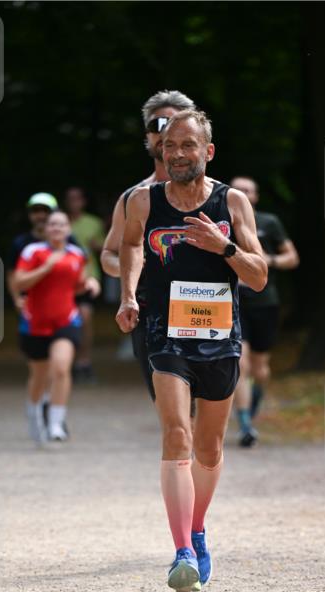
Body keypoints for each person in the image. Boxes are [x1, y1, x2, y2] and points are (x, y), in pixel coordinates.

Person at [117, 111, 267, 592]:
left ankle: (197, 529)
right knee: (177, 433)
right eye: (169, 146)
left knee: (209, 447)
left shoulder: (232, 202)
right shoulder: (144, 201)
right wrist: (128, 295)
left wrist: (224, 247)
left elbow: (259, 277)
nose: (178, 154)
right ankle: (182, 551)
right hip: (165, 333)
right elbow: (131, 246)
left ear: (208, 151)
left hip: (220, 336)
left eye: (188, 145)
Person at [101, 89, 196, 399]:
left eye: (174, 123)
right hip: (151, 312)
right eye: (158, 125)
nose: (165, 131)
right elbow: (109, 254)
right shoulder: (133, 198)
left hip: (205, 307)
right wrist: (130, 269)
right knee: (172, 409)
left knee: (204, 408)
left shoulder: (218, 196)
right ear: (147, 136)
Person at [229, 176, 299, 447]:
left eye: (248, 190)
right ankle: (245, 424)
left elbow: (292, 257)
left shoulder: (269, 223)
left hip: (265, 302)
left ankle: (254, 403)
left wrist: (266, 261)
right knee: (240, 362)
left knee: (259, 368)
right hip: (233, 302)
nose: (243, 194)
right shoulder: (220, 222)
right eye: (238, 190)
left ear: (256, 196)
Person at [14, 211, 90, 443]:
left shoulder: (77, 254)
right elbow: (19, 282)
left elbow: (77, 284)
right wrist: (46, 268)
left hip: (66, 320)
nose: (57, 228)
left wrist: (90, 284)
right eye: (52, 224)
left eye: (61, 224)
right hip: (35, 323)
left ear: (68, 229)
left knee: (60, 368)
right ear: (45, 229)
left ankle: (56, 422)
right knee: (39, 376)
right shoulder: (33, 251)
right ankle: (34, 412)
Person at [64, 187, 105, 382]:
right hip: (63, 279)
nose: (74, 202)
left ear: (83, 201)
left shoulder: (93, 223)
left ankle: (84, 361)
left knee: (85, 318)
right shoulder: (60, 222)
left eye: (77, 198)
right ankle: (66, 362)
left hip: (87, 276)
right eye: (70, 198)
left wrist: (95, 245)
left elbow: (105, 247)